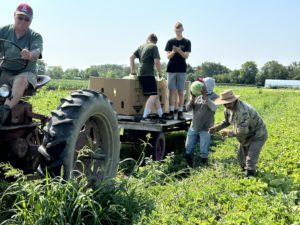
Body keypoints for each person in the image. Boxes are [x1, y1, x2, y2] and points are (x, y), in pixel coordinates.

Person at [0, 3, 43, 125]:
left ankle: (4, 111)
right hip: (5, 71)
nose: (22, 21)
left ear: (31, 21)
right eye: (20, 17)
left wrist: (29, 55)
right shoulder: (3, 31)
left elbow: (36, 52)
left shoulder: (35, 36)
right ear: (14, 16)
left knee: (21, 80)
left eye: (26, 19)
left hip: (25, 73)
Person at [208, 90, 268, 177]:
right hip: (245, 136)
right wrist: (216, 128)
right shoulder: (228, 109)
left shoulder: (242, 111)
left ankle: (250, 178)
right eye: (224, 103)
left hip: (257, 134)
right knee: (241, 158)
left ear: (234, 100)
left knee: (250, 159)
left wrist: (228, 132)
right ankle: (244, 172)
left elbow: (243, 131)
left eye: (228, 103)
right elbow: (226, 121)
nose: (226, 105)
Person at [130, 33, 166, 124]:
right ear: (155, 41)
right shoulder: (154, 47)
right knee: (153, 95)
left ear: (148, 39)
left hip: (140, 74)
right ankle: (144, 117)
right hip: (148, 74)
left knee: (154, 95)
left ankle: (161, 115)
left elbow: (131, 57)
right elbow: (157, 62)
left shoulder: (141, 46)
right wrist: (160, 74)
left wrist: (132, 71)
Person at [185, 78, 218, 167]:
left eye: (203, 83)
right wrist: (192, 99)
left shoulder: (215, 96)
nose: (201, 85)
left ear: (207, 85)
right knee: (188, 147)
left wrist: (205, 97)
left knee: (204, 149)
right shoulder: (197, 96)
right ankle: (189, 166)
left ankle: (204, 166)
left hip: (206, 128)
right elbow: (187, 109)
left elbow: (214, 107)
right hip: (194, 126)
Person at [165, 22, 191, 120]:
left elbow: (186, 56)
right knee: (171, 91)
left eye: (179, 31)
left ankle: (180, 112)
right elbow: (168, 56)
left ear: (182, 30)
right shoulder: (170, 41)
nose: (178, 32)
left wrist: (179, 51)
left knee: (180, 91)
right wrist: (173, 51)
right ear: (174, 30)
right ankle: (171, 111)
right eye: (176, 31)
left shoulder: (187, 42)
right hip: (171, 69)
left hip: (181, 69)